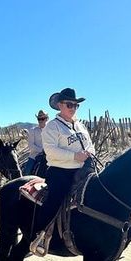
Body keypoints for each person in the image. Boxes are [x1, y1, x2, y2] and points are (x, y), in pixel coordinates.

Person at [33, 88, 95, 242]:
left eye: (76, 105)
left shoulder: (80, 125)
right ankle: (39, 233)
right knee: (55, 198)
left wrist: (89, 152)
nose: (73, 108)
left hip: (85, 169)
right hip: (61, 172)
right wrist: (75, 156)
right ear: (60, 105)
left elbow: (90, 145)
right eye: (69, 105)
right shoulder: (52, 127)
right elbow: (51, 151)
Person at [23, 110, 49, 175]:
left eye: (42, 119)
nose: (40, 121)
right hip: (35, 156)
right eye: (39, 119)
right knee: (27, 172)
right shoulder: (33, 130)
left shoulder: (50, 130)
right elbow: (31, 145)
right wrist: (42, 150)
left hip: (50, 155)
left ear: (46, 119)